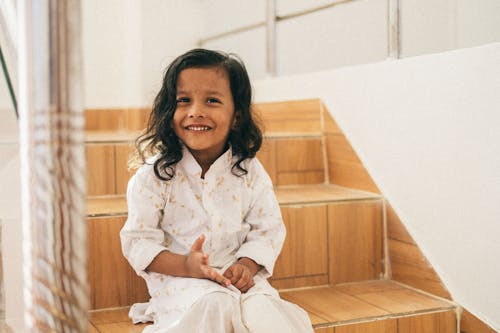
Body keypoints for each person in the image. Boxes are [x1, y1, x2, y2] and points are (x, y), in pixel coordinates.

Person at [120, 48, 313, 333]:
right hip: (182, 283)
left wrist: (246, 266)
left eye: (211, 100)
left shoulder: (250, 171)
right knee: (216, 304)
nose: (195, 111)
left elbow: (267, 229)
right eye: (183, 100)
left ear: (236, 115)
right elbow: (138, 242)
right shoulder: (154, 175)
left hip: (239, 280)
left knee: (265, 312)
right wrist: (186, 265)